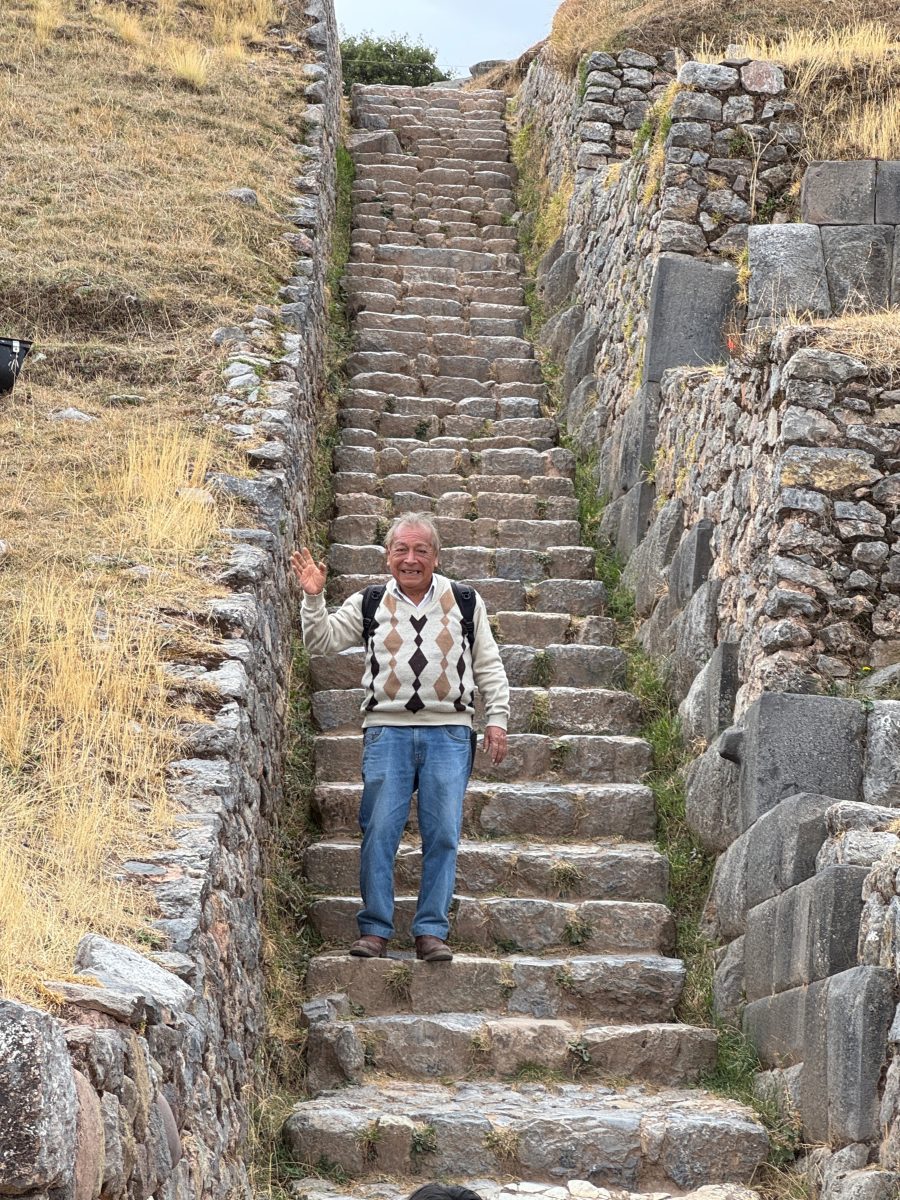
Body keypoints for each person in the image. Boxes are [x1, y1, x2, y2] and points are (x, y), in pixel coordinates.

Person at [291, 513, 509, 963]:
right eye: (401, 551)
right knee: (379, 831)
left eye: (420, 551)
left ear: (436, 556)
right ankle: (374, 929)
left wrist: (497, 719)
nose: (410, 560)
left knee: (443, 834)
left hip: (449, 732)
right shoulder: (369, 602)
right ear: (388, 556)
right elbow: (320, 643)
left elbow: (488, 663)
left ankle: (430, 930)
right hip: (386, 731)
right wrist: (314, 599)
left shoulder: (466, 601)